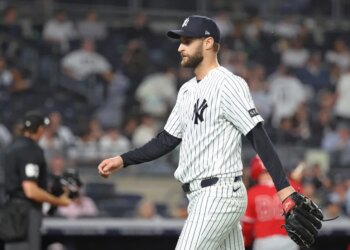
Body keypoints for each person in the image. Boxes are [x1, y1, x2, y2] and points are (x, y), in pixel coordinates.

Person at [97, 15, 317, 249]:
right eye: (180, 41)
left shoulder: (228, 84)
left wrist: (283, 189)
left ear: (208, 43)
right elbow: (166, 140)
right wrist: (123, 159)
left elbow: (257, 134)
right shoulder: (186, 91)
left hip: (219, 194)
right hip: (200, 197)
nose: (180, 47)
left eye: (187, 41)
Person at [3, 111, 71, 250]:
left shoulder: (10, 148)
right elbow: (31, 190)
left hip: (8, 208)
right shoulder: (31, 150)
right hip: (25, 212)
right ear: (39, 129)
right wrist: (58, 201)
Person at [242, 155, 303, 250]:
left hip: (264, 242)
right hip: (289, 239)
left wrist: (247, 242)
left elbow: (247, 226)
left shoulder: (252, 193)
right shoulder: (292, 186)